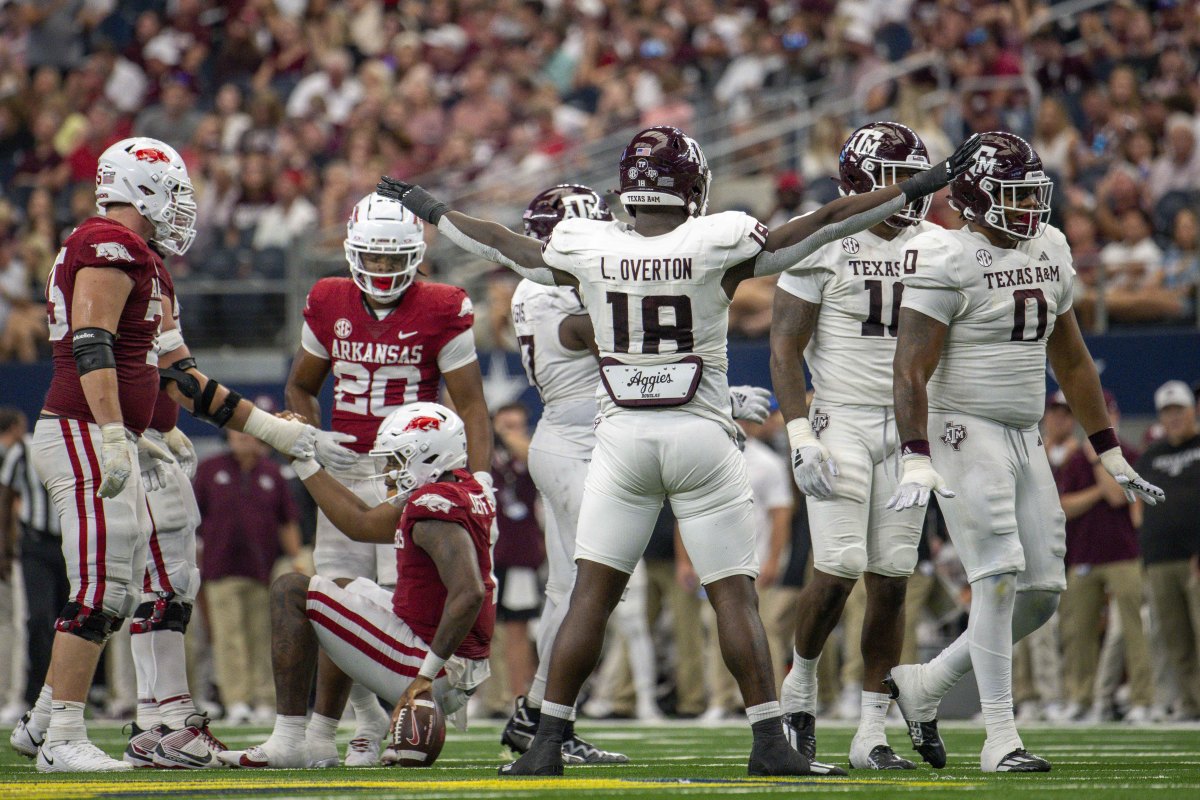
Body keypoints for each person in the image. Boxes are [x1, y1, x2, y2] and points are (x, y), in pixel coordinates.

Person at [377, 123, 984, 776]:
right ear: (695, 187)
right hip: (699, 434)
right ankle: (770, 743)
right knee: (731, 594)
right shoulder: (714, 238)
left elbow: (503, 245)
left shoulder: (591, 243)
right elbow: (827, 222)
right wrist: (920, 185)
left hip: (621, 439)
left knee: (590, 594)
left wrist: (431, 208)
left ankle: (547, 739)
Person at [10, 137, 321, 773]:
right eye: (175, 191)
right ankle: (62, 732)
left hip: (133, 434)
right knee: (102, 585)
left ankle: (165, 721)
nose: (183, 205)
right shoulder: (105, 244)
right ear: (141, 187)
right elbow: (92, 344)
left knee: (173, 577)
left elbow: (181, 377)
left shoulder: (147, 261)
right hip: (84, 427)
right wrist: (113, 431)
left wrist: (267, 428)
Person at [885, 131, 1165, 773]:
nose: (1029, 208)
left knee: (1042, 590)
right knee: (998, 574)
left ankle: (924, 685)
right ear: (977, 199)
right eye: (1013, 196)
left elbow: (1070, 355)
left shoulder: (1050, 244)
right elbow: (909, 369)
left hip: (1023, 430)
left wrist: (1108, 451)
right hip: (964, 427)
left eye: (1033, 194)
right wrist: (916, 451)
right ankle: (1000, 738)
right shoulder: (945, 255)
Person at [500, 184, 774, 761]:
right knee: (593, 594)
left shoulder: (543, 282)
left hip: (581, 434)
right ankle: (545, 720)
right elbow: (636, 341)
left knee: (569, 592)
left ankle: (542, 720)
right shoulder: (556, 291)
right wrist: (719, 399)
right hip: (585, 438)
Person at [284, 190, 491, 766]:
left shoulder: (443, 305)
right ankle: (346, 726)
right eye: (370, 258)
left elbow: (472, 405)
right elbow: (301, 384)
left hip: (411, 472)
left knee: (397, 608)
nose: (379, 270)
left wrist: (479, 481)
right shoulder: (328, 299)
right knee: (334, 596)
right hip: (348, 466)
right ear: (353, 253)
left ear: (414, 255)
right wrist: (309, 432)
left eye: (389, 258)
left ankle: (386, 718)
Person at [770, 121, 940, 770]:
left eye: (915, 177)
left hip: (908, 427)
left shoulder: (939, 245)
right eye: (896, 179)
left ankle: (873, 729)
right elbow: (783, 346)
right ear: (859, 181)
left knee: (894, 581)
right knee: (838, 567)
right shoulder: (825, 238)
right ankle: (802, 685)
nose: (909, 192)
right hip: (840, 418)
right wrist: (798, 433)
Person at [221, 403, 495, 769]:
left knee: (290, 589)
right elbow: (360, 523)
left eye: (398, 459)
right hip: (454, 659)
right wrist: (304, 460)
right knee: (344, 590)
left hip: (434, 667)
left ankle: (289, 739)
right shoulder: (462, 489)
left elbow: (469, 592)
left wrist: (425, 677)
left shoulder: (433, 505)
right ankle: (347, 724)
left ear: (431, 455)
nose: (389, 472)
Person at [193, 420, 302, 733]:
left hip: (262, 569)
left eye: (251, 433)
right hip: (219, 567)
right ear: (227, 434)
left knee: (263, 636)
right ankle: (236, 699)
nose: (244, 438)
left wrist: (296, 560)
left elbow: (287, 521)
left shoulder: (272, 474)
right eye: (238, 431)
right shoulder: (210, 469)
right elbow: (195, 519)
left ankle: (264, 698)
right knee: (229, 637)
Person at [1055, 391, 1152, 723]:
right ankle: (1080, 698)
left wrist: (1098, 460)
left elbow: (1116, 497)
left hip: (1124, 555)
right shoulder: (1074, 461)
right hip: (1083, 556)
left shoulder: (1129, 454)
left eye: (1107, 414)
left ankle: (1141, 699)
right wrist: (1097, 487)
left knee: (1132, 628)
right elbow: (1064, 507)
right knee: (1077, 631)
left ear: (1116, 417)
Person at [1135, 381, 1200, 721]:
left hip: (1195, 558)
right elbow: (1138, 505)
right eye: (1167, 412)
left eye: (1179, 410)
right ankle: (1190, 705)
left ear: (1193, 410)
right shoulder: (1151, 455)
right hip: (1160, 558)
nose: (1173, 418)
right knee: (1176, 638)